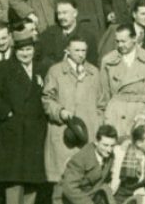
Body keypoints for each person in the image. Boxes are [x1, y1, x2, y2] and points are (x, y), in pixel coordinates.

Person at [0, 27, 49, 204]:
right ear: (15, 50)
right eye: (21, 50)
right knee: (14, 179)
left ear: (34, 49)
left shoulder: (42, 68)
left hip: (36, 132)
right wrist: (6, 112)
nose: (25, 53)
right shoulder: (3, 68)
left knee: (32, 179)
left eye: (28, 49)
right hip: (13, 132)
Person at [43, 36, 103, 191]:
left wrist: (96, 124)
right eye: (76, 50)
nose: (80, 54)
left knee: (83, 184)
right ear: (67, 50)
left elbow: (101, 103)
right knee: (61, 184)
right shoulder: (55, 71)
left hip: (87, 136)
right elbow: (47, 100)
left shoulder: (94, 72)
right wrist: (60, 112)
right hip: (63, 134)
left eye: (84, 50)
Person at [97, 23, 145, 139]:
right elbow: (103, 96)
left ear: (134, 39)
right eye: (117, 41)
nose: (120, 45)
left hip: (140, 116)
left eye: (124, 41)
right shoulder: (108, 61)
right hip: (116, 116)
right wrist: (104, 120)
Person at [61, 124, 119, 204]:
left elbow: (102, 182)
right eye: (105, 145)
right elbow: (69, 188)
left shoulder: (109, 156)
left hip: (91, 198)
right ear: (96, 142)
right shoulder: (81, 158)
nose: (109, 150)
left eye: (112, 146)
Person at [110, 123, 145, 203]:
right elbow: (114, 179)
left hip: (141, 195)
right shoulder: (121, 153)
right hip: (120, 197)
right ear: (139, 143)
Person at [40, 0, 100, 69]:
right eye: (59, 13)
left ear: (75, 13)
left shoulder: (88, 37)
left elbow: (92, 66)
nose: (61, 17)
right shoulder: (48, 34)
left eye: (65, 13)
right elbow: (39, 60)